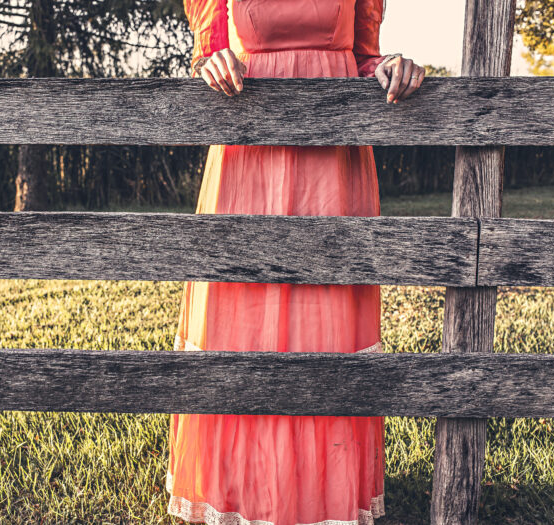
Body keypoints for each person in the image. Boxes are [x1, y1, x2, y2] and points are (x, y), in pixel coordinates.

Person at [166, 1, 425, 523]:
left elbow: (362, 59)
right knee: (241, 323)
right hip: (248, 160)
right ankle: (241, 491)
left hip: (328, 165)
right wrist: (213, 62)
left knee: (322, 321)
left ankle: (319, 497)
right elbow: (208, 54)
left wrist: (390, 69)